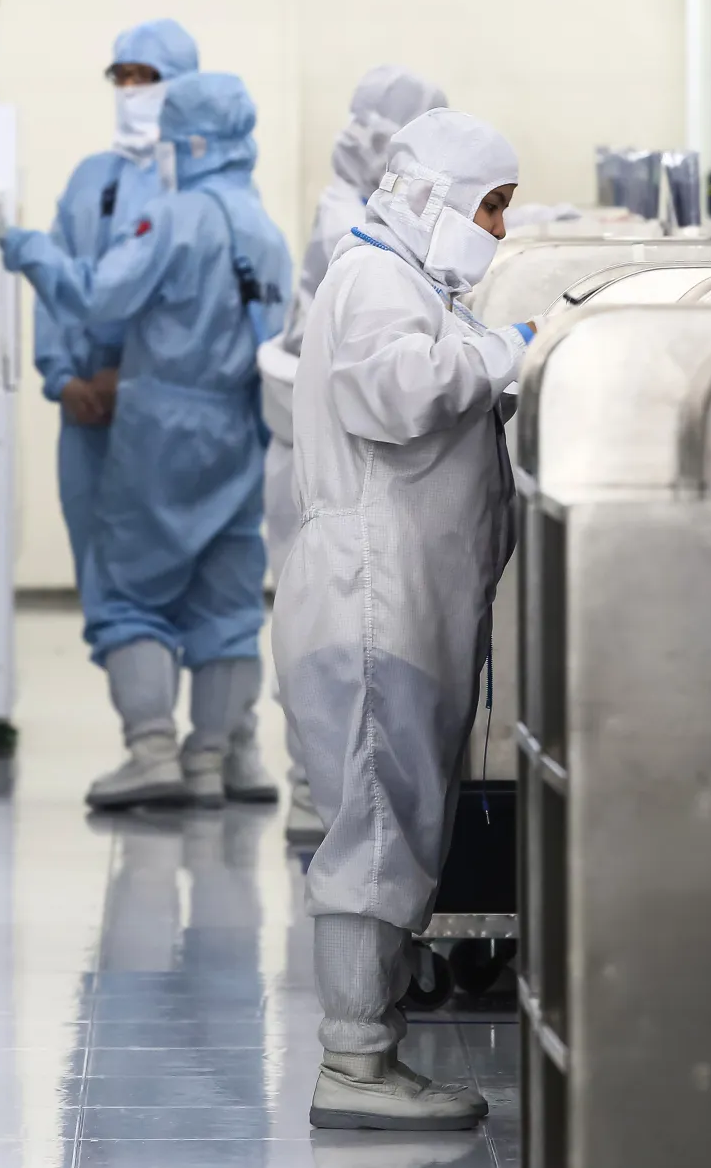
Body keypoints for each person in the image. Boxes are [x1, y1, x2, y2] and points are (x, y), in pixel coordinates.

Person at [272, 109, 535, 1131]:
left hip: (399, 600)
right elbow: (393, 395)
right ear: (432, 197)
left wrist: (486, 350)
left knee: (393, 821)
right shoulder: (375, 281)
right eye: (490, 207)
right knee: (376, 830)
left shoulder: (403, 282)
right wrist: (507, 352)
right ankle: (353, 1061)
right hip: (371, 601)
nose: (497, 232)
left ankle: (368, 1046)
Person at [2, 72, 290, 811]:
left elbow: (101, 294)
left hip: (162, 425)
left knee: (130, 590)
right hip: (239, 427)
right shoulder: (263, 225)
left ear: (190, 140)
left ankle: (153, 749)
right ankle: (209, 758)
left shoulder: (174, 216)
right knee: (227, 601)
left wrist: (26, 248)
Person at [266, 65, 448, 847]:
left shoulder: (355, 215)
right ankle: (317, 787)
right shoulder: (355, 230)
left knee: (339, 631)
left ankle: (328, 787)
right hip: (324, 465)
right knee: (329, 635)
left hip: (318, 457)